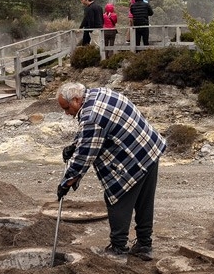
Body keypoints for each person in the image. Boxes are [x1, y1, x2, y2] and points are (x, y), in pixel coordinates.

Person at [56, 81, 166, 261]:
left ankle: (118, 249)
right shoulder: (100, 93)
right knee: (144, 201)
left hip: (132, 158)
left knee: (118, 198)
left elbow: (85, 155)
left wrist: (66, 182)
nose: (67, 113)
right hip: (149, 149)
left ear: (76, 100)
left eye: (67, 108)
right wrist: (74, 145)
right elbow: (93, 133)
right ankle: (144, 245)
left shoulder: (91, 116)